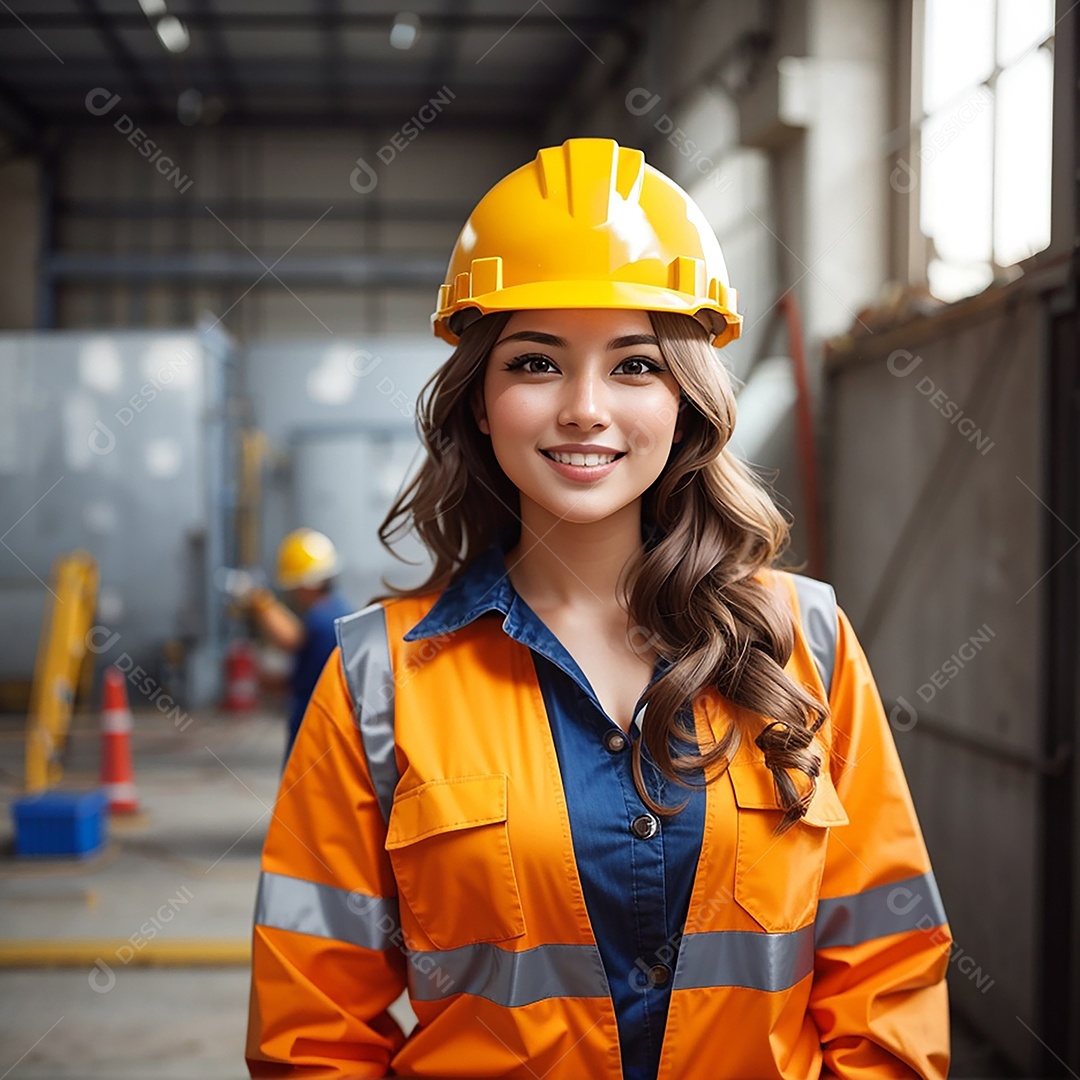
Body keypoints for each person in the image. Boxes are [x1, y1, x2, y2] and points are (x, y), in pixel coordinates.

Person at [246, 137, 951, 1079]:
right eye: (536, 362)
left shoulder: (804, 641)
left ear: (688, 401)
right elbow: (311, 1035)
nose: (584, 408)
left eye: (633, 365)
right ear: (481, 402)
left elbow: (889, 982)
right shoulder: (380, 679)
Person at [243, 528, 352, 764]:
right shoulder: (338, 611)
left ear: (306, 584)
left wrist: (262, 604)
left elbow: (302, 672)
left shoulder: (322, 622)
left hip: (315, 726)